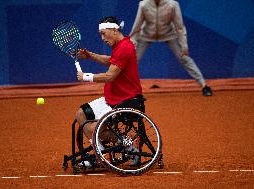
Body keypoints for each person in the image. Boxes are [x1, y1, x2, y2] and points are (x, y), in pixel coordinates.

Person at [75, 16, 143, 166]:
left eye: (103, 33)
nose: (102, 38)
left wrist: (86, 76)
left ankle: (130, 145)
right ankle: (101, 155)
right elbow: (111, 60)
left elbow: (110, 76)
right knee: (81, 113)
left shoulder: (125, 47)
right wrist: (90, 55)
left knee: (94, 128)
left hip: (128, 99)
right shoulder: (119, 46)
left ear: (114, 29)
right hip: (113, 98)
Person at [130, 0, 213, 96]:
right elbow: (137, 26)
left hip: (169, 34)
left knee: (184, 58)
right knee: (132, 60)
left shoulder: (172, 5)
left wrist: (184, 45)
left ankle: (204, 85)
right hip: (146, 34)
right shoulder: (143, 5)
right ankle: (123, 89)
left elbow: (179, 27)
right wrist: (131, 44)